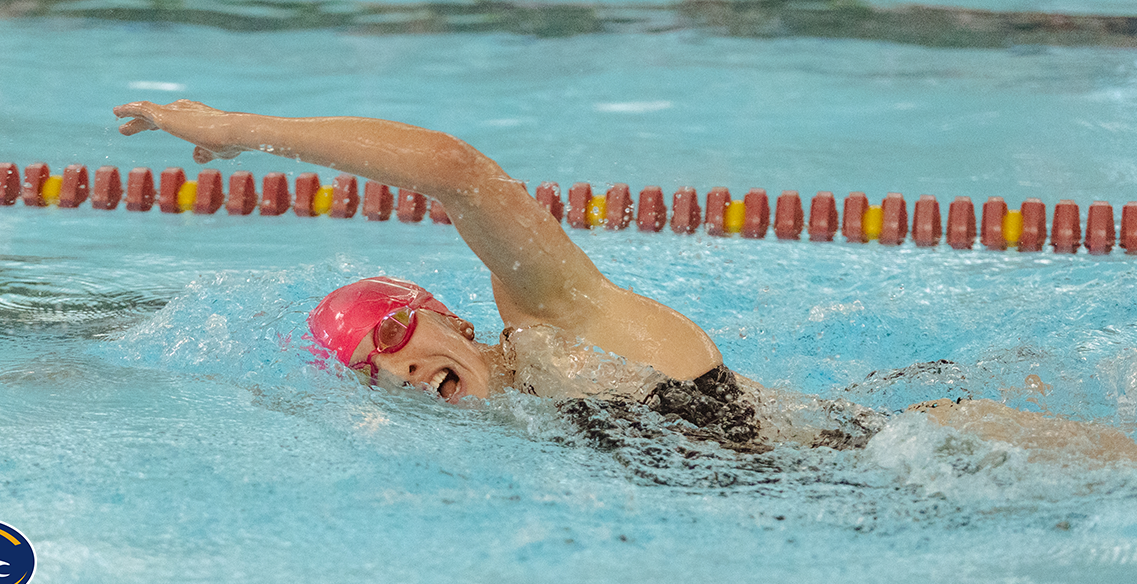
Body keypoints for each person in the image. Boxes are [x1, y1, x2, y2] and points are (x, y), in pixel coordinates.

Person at [114, 100, 1137, 463]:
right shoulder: (509, 435)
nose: (392, 369)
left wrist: (245, 129)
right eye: (364, 371)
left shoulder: (557, 319)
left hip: (937, 446)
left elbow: (454, 170)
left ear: (444, 315)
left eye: (388, 334)